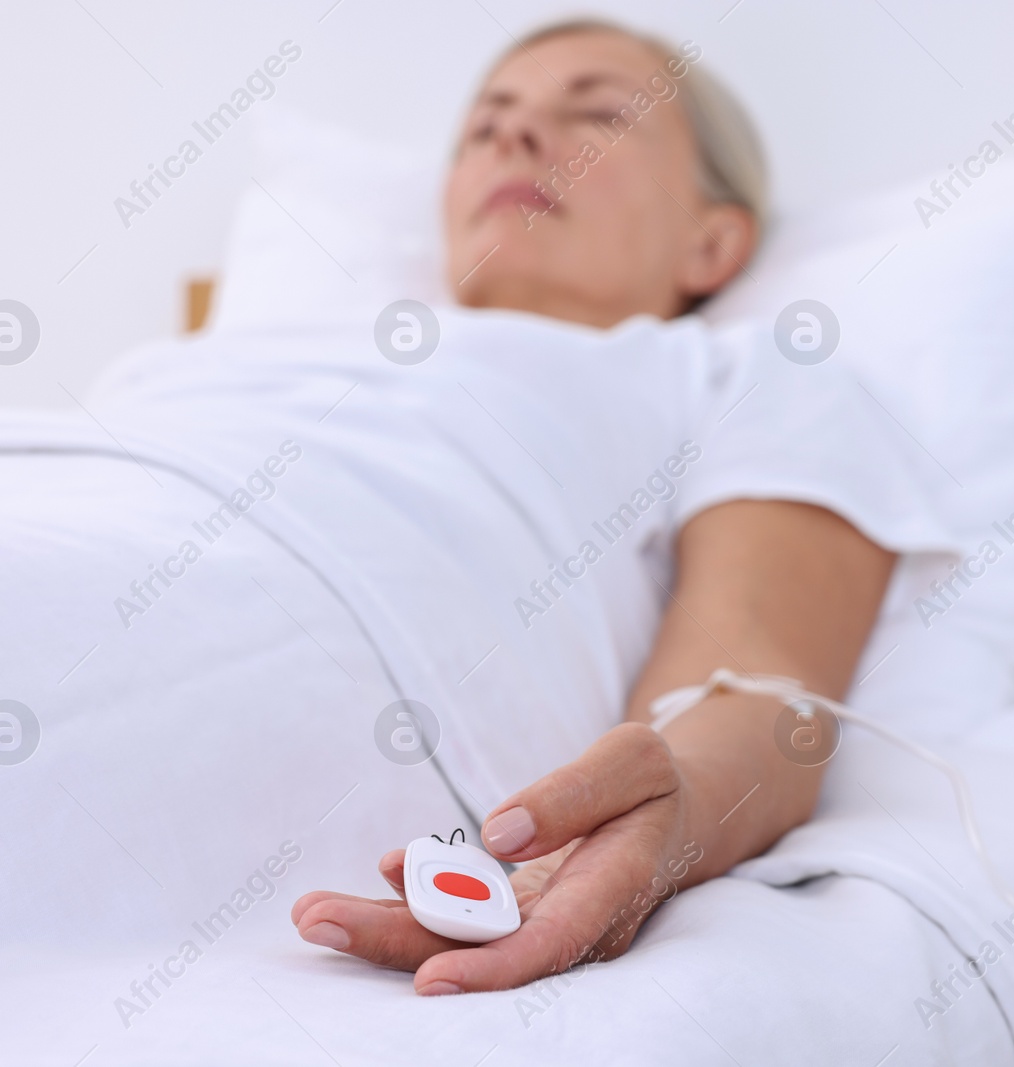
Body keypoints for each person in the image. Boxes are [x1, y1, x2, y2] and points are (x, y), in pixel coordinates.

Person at [289, 20, 898, 997]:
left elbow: (755, 684)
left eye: (597, 114)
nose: (514, 139)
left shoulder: (741, 373)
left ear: (713, 238)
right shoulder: (254, 360)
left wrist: (668, 808)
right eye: (486, 125)